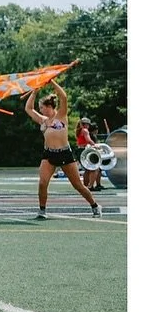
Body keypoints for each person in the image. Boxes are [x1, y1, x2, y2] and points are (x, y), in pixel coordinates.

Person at [25, 83, 101, 219]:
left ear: (49, 107)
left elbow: (63, 97)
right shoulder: (43, 120)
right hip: (48, 154)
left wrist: (52, 82)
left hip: (64, 153)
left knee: (78, 185)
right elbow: (28, 108)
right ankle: (42, 211)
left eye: (42, 107)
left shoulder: (61, 115)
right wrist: (34, 92)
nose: (40, 110)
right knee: (42, 183)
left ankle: (94, 205)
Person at [75, 118, 104, 192]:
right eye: (87, 124)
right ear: (85, 124)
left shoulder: (78, 131)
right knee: (95, 168)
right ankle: (90, 186)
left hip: (79, 150)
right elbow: (88, 140)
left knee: (87, 170)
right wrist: (95, 145)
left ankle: (85, 187)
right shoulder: (85, 130)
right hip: (85, 150)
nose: (88, 126)